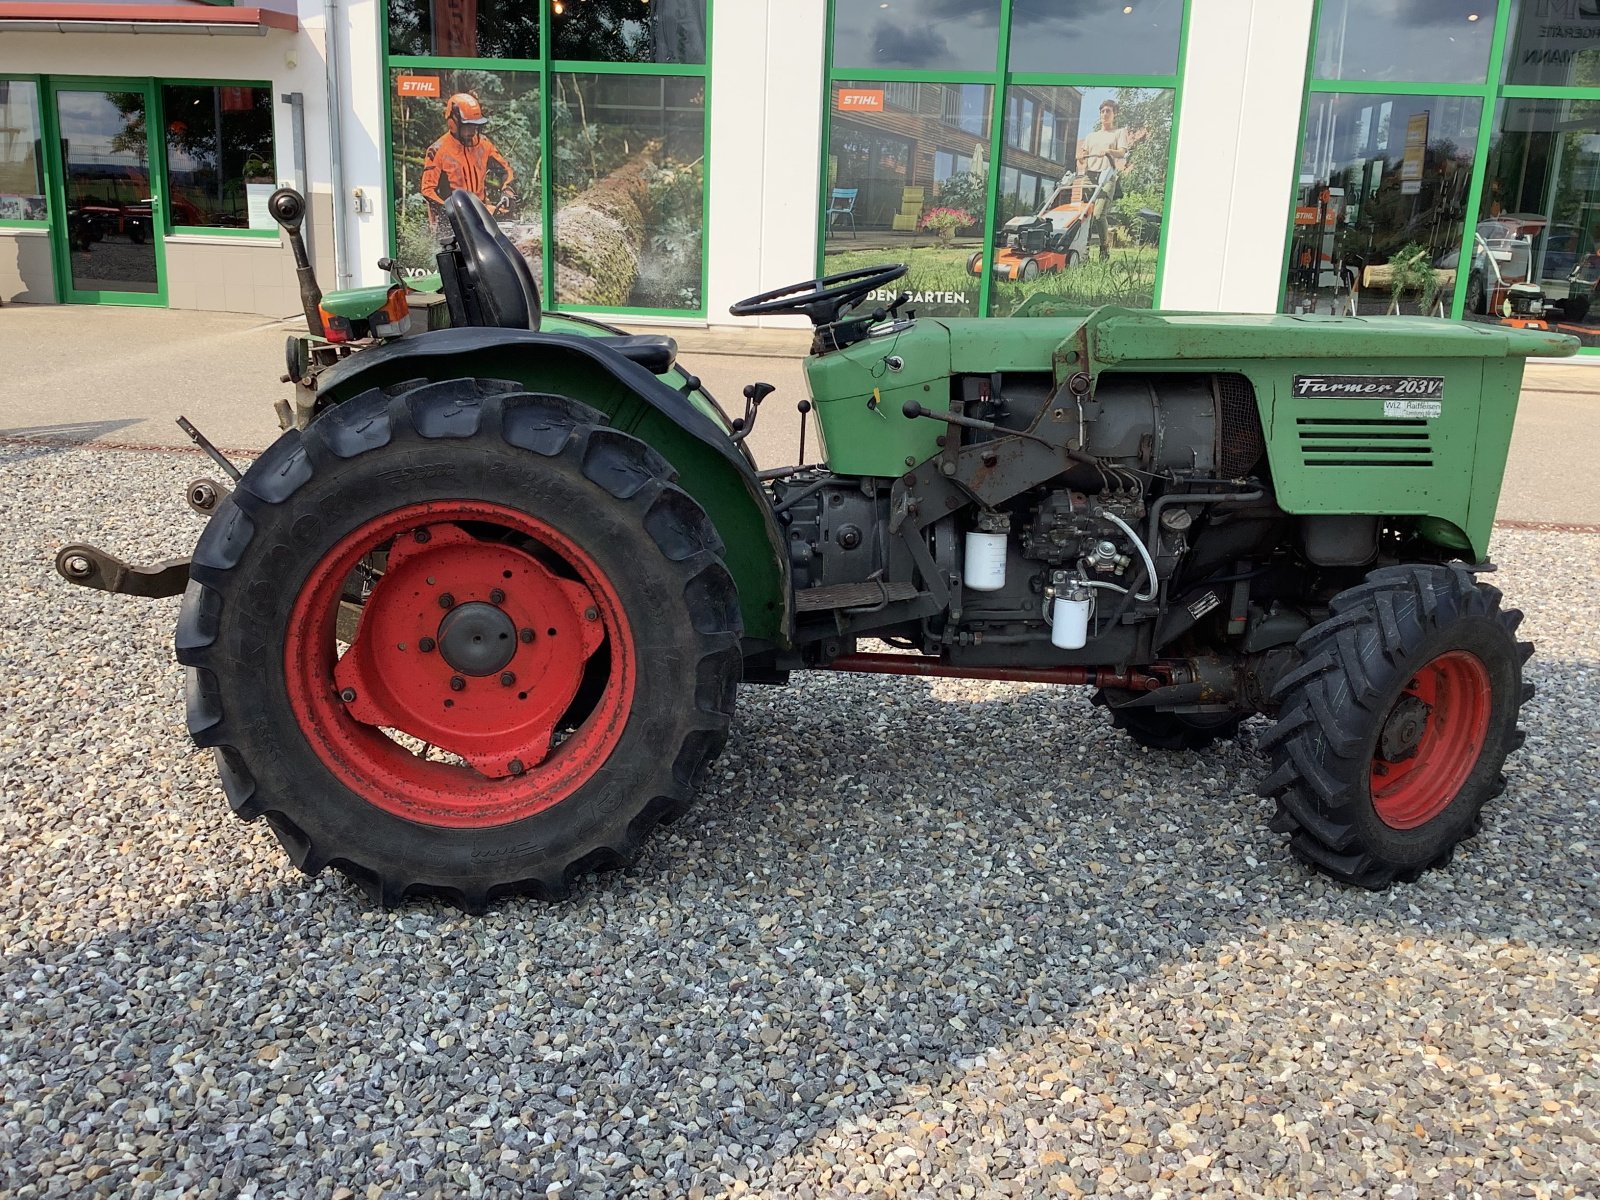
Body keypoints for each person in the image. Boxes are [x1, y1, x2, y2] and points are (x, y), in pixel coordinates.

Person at [420, 93, 515, 226]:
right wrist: (450, 210)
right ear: (453, 122)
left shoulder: (484, 144)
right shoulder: (437, 151)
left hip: (480, 211)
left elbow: (505, 170)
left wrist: (507, 190)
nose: (472, 130)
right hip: (451, 219)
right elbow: (428, 190)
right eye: (468, 125)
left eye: (475, 125)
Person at [1075, 99, 1146, 260]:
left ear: (1114, 114)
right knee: (1084, 215)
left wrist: (1108, 151)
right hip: (1089, 176)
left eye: (1108, 111)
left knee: (1098, 215)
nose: (1105, 114)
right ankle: (1082, 251)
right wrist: (1080, 158)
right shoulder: (1091, 136)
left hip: (1107, 175)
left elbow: (1121, 153)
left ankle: (1104, 249)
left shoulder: (1119, 132)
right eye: (1102, 111)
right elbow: (1082, 157)